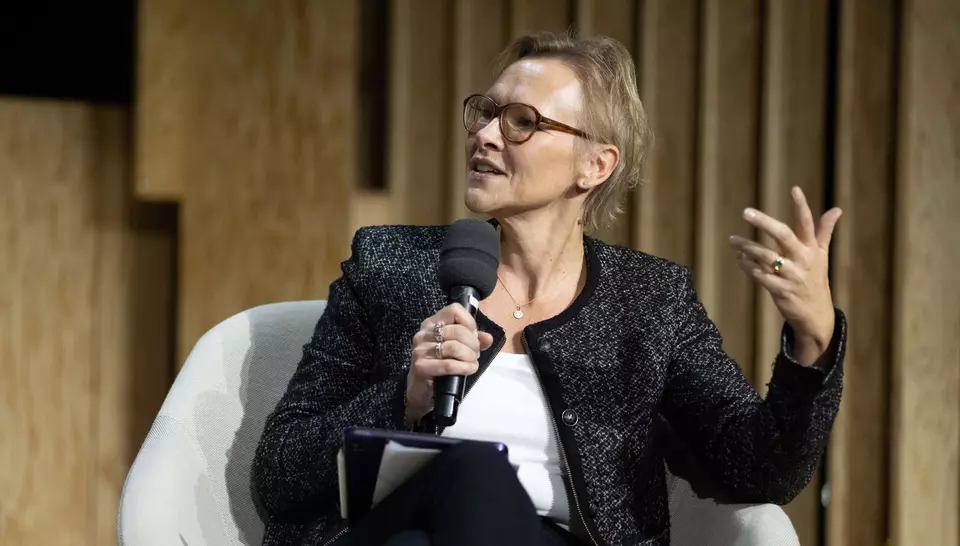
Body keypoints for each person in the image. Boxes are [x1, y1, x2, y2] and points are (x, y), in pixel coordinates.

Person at [253, 32, 846, 546]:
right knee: (469, 473)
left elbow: (760, 470)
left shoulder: (649, 301)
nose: (486, 135)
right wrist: (405, 400)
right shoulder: (392, 265)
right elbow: (279, 472)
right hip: (394, 527)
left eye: (521, 122)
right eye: (485, 113)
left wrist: (814, 338)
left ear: (596, 165)